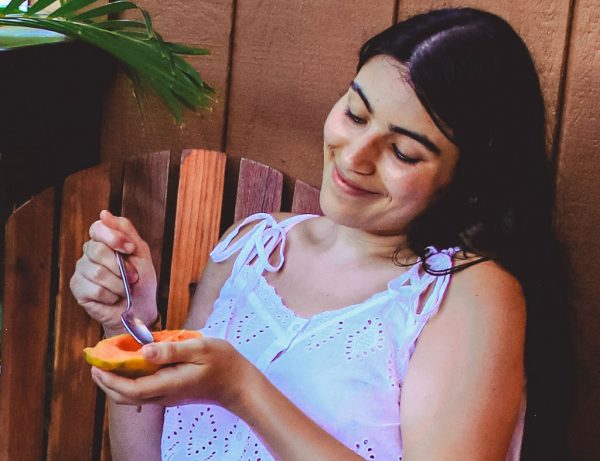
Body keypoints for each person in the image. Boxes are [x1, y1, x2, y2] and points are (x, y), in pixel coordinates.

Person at [70, 7, 570, 461]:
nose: (354, 156)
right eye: (355, 113)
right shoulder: (254, 248)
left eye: (404, 153)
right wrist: (129, 324)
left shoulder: (466, 297)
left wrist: (244, 390)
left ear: (469, 179)